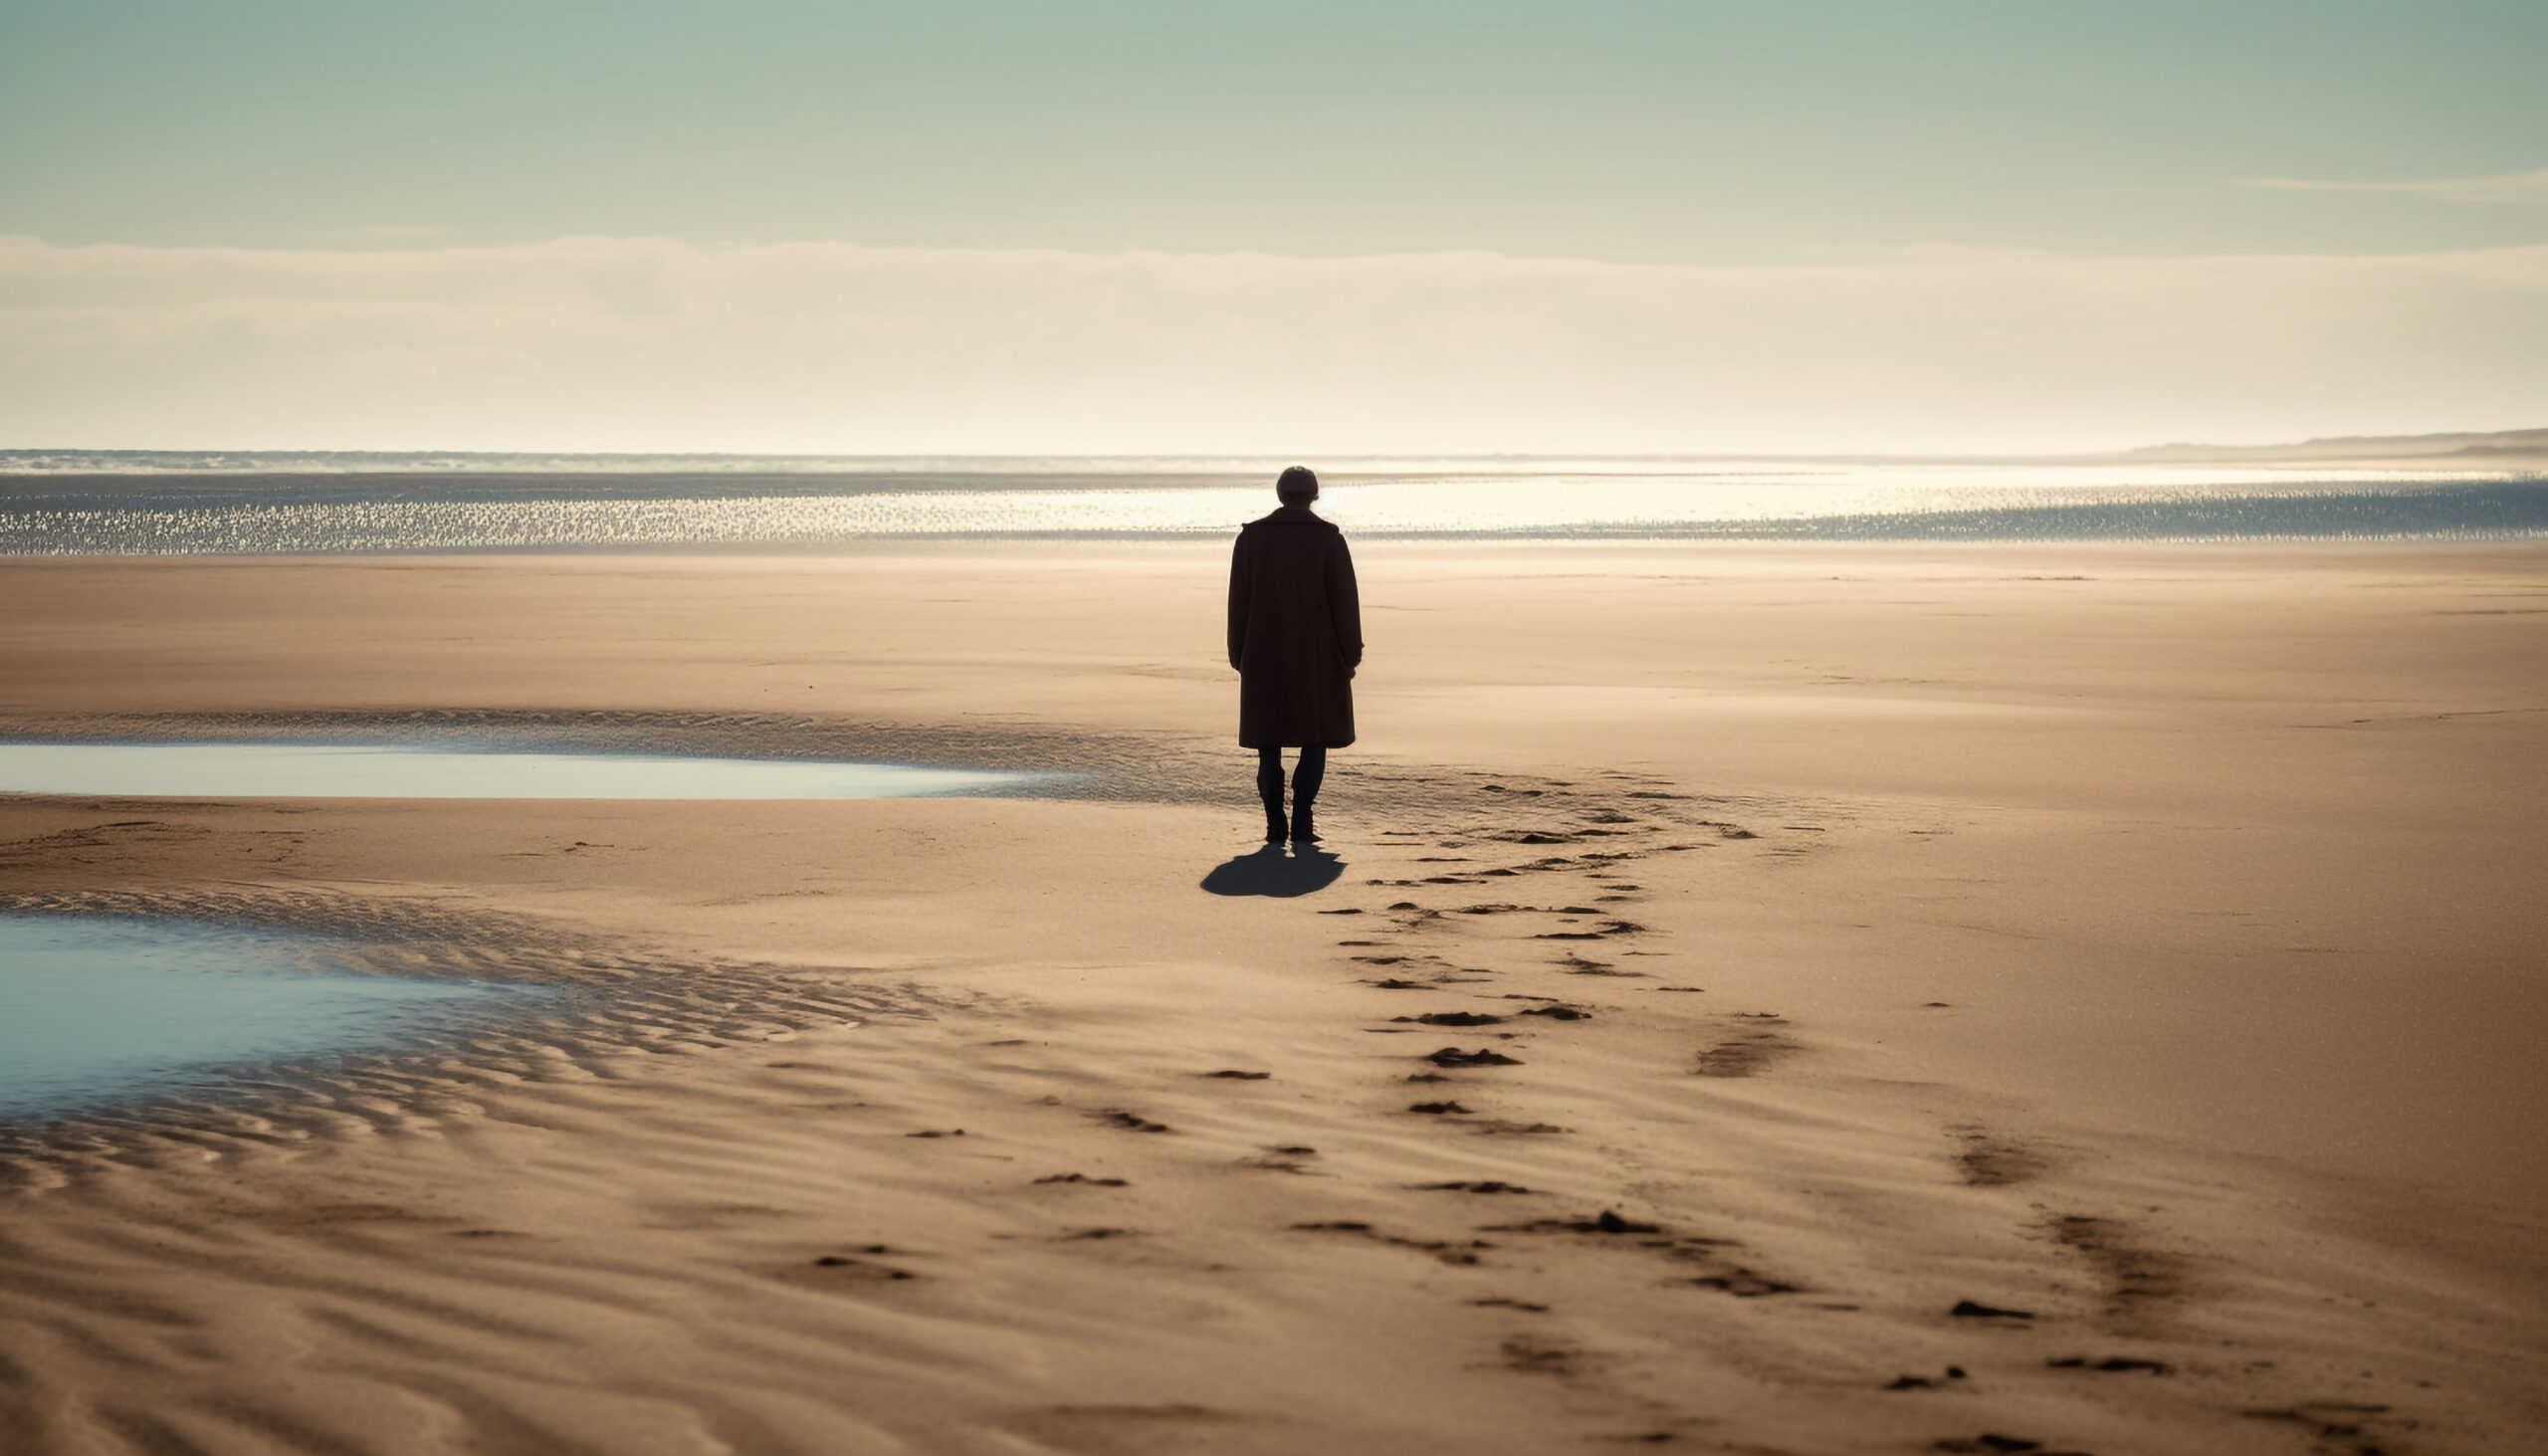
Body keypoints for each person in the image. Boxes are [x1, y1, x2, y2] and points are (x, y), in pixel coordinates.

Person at [1227, 465, 1363, 844]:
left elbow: (1239, 601)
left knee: (1267, 747)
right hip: (1317, 659)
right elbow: (1345, 603)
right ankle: (1302, 820)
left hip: (1262, 655)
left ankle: (1275, 824)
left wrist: (1238, 654)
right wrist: (1350, 654)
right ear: (1313, 496)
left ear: (1281, 494)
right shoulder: (1328, 538)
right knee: (1314, 740)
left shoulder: (1252, 538)